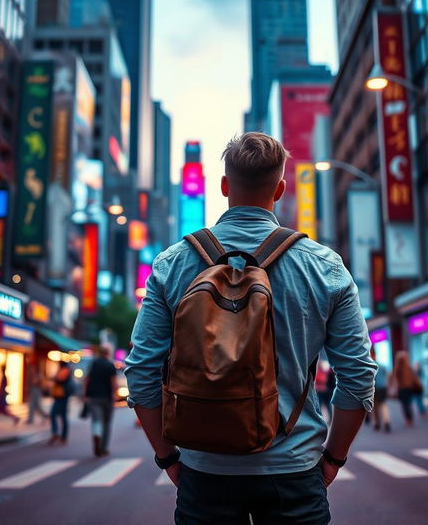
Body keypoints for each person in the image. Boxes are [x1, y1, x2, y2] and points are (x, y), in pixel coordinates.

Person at [125, 132, 376, 525]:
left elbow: (140, 372)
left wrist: (168, 456)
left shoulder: (171, 264)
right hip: (294, 472)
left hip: (204, 471)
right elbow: (358, 376)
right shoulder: (324, 266)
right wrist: (332, 458)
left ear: (224, 186)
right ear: (280, 189)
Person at [85, 344, 117, 456]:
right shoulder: (110, 365)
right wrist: (114, 394)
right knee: (107, 423)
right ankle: (103, 448)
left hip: (93, 396)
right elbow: (113, 382)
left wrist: (85, 394)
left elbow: (87, 379)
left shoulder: (94, 363)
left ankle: (96, 434)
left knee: (96, 420)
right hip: (107, 398)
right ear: (108, 353)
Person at [391, 351, 421, 427]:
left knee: (406, 404)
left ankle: (409, 418)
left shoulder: (407, 368)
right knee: (407, 404)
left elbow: (414, 378)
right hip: (404, 389)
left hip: (407, 388)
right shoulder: (400, 368)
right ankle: (409, 418)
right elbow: (395, 379)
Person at [49, 362, 72, 445]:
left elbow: (59, 379)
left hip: (62, 396)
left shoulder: (65, 370)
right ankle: (60, 436)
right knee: (60, 416)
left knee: (57, 415)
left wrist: (55, 378)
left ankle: (60, 435)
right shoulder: (65, 370)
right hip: (60, 396)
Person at [371, 349, 390, 432]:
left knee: (375, 407)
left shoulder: (369, 366)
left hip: (373, 388)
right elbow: (387, 376)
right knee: (383, 405)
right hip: (383, 387)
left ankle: (377, 423)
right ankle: (386, 421)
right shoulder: (382, 365)